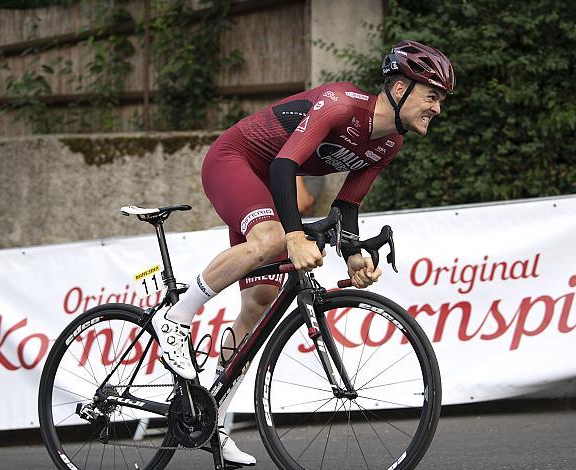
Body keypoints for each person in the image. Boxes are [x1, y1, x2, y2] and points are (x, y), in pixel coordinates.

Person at [152, 40, 455, 466]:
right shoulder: (340, 104)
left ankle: (212, 416)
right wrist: (294, 234)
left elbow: (345, 208)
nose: (437, 108)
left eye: (441, 100)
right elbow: (283, 166)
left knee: (259, 301)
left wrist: (354, 256)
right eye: (432, 95)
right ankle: (176, 317)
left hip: (268, 182)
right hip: (237, 161)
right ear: (401, 87)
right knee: (274, 240)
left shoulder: (389, 145)